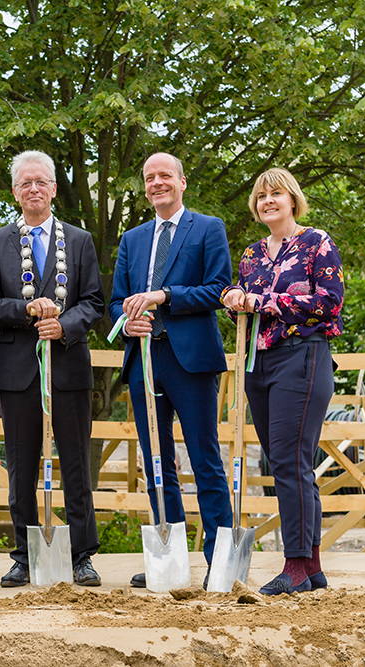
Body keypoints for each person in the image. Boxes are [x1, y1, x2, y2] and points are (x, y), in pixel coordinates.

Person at [0, 150, 105, 587]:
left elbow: (93, 302)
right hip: (18, 369)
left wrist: (63, 325)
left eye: (42, 182)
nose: (34, 189)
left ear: (54, 188)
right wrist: (27, 309)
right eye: (25, 183)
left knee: (75, 466)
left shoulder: (81, 240)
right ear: (15, 192)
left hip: (69, 367)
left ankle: (81, 554)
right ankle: (24, 554)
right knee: (21, 467)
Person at [109, 152, 234, 589]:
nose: (157, 182)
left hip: (191, 360)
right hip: (144, 359)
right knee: (156, 462)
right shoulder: (133, 238)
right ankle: (169, 560)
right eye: (149, 177)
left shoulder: (208, 228)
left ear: (182, 182)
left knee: (205, 460)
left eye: (165, 175)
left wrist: (163, 297)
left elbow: (219, 289)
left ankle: (219, 561)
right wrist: (128, 322)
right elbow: (115, 302)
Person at [222, 167, 343, 595]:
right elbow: (242, 299)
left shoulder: (316, 242)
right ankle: (311, 566)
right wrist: (233, 297)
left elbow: (329, 303)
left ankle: (294, 564)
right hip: (260, 361)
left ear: (292, 199)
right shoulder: (252, 255)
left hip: (303, 358)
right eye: (260, 196)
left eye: (276, 194)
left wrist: (265, 301)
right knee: (287, 464)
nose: (267, 201)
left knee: (291, 463)